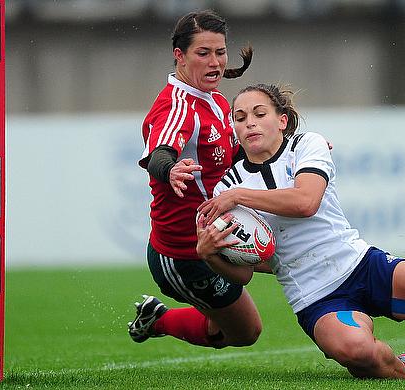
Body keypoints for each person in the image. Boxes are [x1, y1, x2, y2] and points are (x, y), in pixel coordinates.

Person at [195, 83, 405, 380]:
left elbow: (306, 202)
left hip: (362, 265)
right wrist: (210, 255)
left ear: (282, 120)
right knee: (360, 355)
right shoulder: (227, 186)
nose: (250, 123)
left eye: (259, 114)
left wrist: (238, 197)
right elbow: (247, 271)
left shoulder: (306, 145)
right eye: (240, 117)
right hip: (316, 297)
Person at [127, 10, 268, 350]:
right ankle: (157, 320)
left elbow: (237, 159)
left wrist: (298, 149)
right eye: (203, 53)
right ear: (180, 56)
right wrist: (168, 168)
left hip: (215, 235)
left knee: (290, 256)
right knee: (244, 333)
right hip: (182, 254)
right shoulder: (178, 106)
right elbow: (160, 152)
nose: (215, 62)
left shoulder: (217, 102)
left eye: (220, 52)